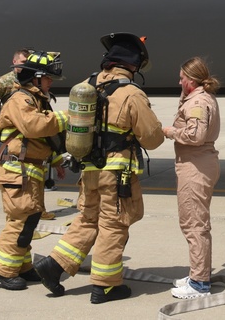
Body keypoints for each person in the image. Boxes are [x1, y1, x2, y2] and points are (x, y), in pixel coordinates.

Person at [34, 33, 164, 304]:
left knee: (87, 219)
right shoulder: (131, 93)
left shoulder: (86, 86)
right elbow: (152, 139)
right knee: (114, 225)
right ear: (132, 64)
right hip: (117, 174)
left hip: (89, 170)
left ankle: (54, 265)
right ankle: (105, 285)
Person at [0, 51, 69, 291]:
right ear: (36, 78)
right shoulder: (20, 100)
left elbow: (44, 140)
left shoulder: (36, 100)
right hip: (17, 171)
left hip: (28, 171)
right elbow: (34, 127)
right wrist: (67, 118)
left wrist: (55, 160)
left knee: (29, 220)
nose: (51, 83)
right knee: (20, 221)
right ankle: (2, 271)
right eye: (48, 79)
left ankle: (21, 266)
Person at [162, 57, 222, 299]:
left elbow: (195, 135)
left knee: (194, 224)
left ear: (192, 80)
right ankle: (199, 274)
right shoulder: (199, 98)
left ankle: (199, 284)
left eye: (182, 78)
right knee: (195, 222)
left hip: (196, 166)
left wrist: (170, 132)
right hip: (198, 163)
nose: (179, 81)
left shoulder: (197, 101)